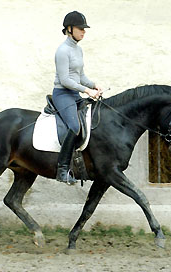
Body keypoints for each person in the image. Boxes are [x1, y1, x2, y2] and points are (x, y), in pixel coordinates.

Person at [53, 11, 102, 184]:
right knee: (74, 126)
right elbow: (66, 80)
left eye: (84, 28)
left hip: (75, 93)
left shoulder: (78, 49)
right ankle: (63, 170)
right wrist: (87, 91)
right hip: (62, 94)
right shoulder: (62, 51)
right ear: (69, 29)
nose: (84, 31)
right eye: (80, 28)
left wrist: (93, 85)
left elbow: (80, 76)